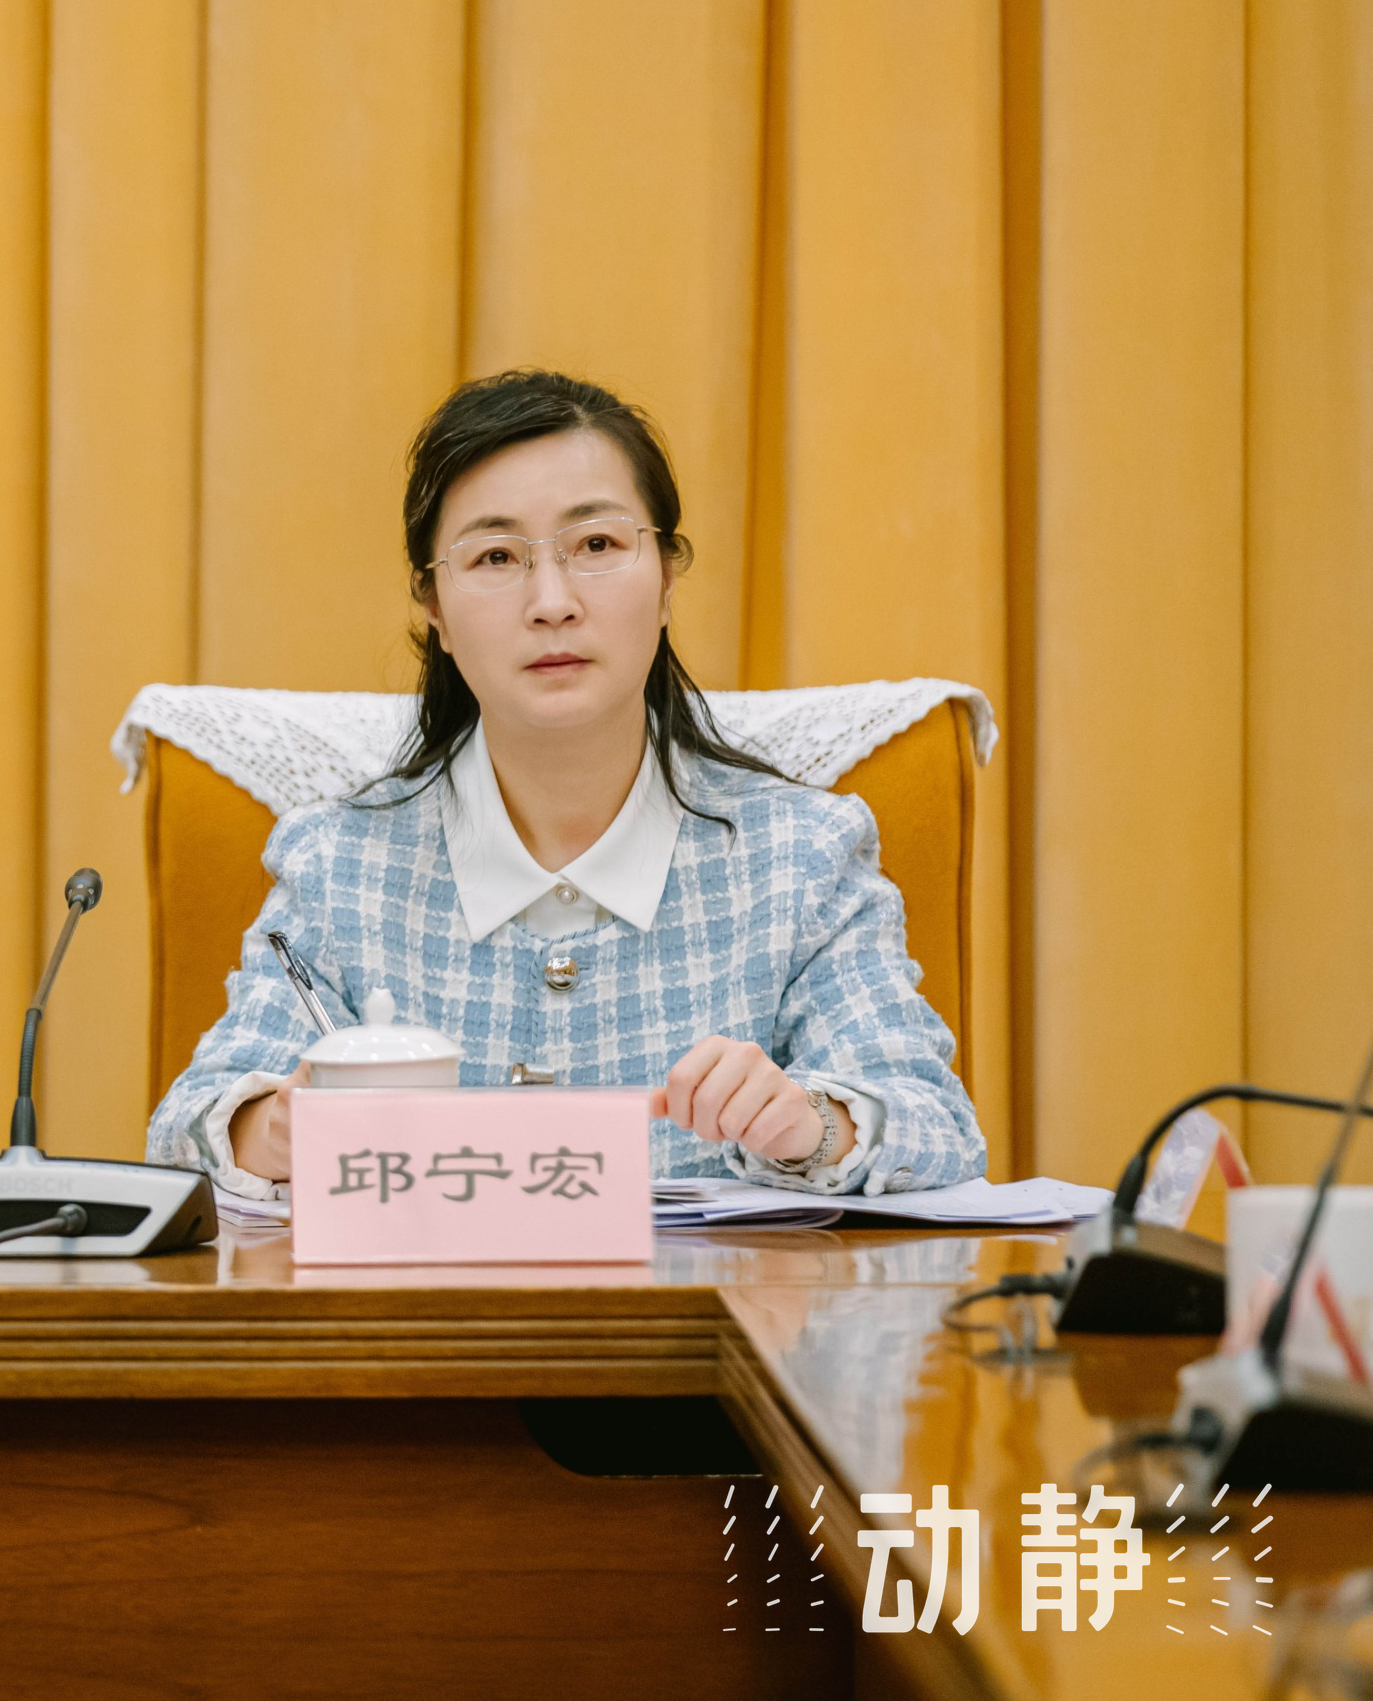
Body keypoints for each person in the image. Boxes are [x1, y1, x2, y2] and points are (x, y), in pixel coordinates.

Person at [148, 368, 985, 1200]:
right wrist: (280, 1128)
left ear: (667, 578)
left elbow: (938, 1128)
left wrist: (809, 1124)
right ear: (434, 609)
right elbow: (185, 1132)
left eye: (597, 546)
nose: (552, 603)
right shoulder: (342, 866)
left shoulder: (801, 857)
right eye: (496, 556)